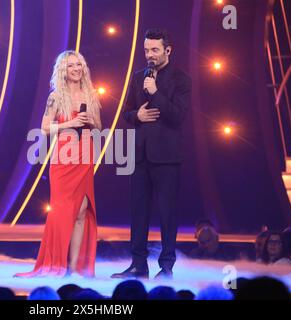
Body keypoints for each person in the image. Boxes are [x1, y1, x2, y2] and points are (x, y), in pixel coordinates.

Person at [112, 28, 191, 279]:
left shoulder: (181, 79)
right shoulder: (137, 77)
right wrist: (138, 116)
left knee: (167, 212)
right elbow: (126, 111)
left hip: (167, 156)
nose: (149, 55)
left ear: (168, 50)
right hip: (139, 155)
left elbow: (178, 115)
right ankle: (138, 264)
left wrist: (155, 92)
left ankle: (166, 266)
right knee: (138, 211)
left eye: (154, 50)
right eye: (146, 50)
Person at [15, 51, 102, 278]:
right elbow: (44, 127)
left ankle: (73, 267)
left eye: (79, 65)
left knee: (82, 211)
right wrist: (71, 122)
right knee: (62, 211)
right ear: (63, 70)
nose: (76, 69)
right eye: (71, 65)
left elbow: (99, 128)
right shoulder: (56, 97)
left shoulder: (90, 94)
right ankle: (55, 263)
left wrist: (92, 121)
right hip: (64, 155)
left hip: (85, 153)